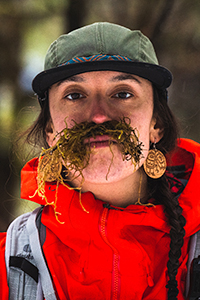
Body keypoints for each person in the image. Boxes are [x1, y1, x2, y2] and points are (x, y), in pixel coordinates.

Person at [0, 22, 200, 300]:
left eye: (122, 94)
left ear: (157, 125)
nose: (98, 115)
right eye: (74, 96)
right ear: (50, 132)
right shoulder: (6, 267)